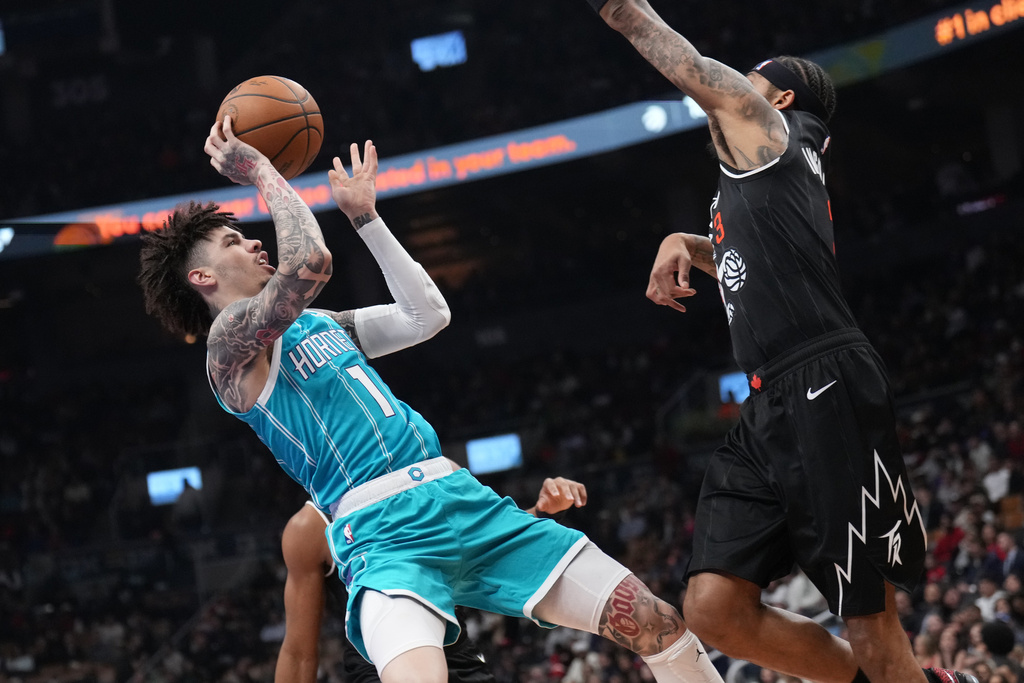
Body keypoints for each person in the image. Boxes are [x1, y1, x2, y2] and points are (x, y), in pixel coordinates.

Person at [137, 117, 723, 683]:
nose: (252, 241)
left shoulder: (322, 323)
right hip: (382, 532)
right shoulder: (228, 349)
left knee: (657, 623)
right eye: (232, 241)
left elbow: (426, 316)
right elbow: (310, 263)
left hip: (462, 497)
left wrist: (366, 220)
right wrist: (262, 171)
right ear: (203, 278)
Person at [583, 1, 980, 683]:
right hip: (769, 397)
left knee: (868, 618)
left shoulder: (770, 129)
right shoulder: (770, 169)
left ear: (781, 98)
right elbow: (749, 258)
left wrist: (620, 11)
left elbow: (685, 63)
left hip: (825, 382)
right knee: (714, 608)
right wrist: (684, 242)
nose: (734, 85)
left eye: (750, 79)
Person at [276, 474, 589, 683]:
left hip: (457, 655)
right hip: (379, 671)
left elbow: (493, 541)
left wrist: (542, 511)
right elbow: (299, 654)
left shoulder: (431, 477)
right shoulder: (310, 528)